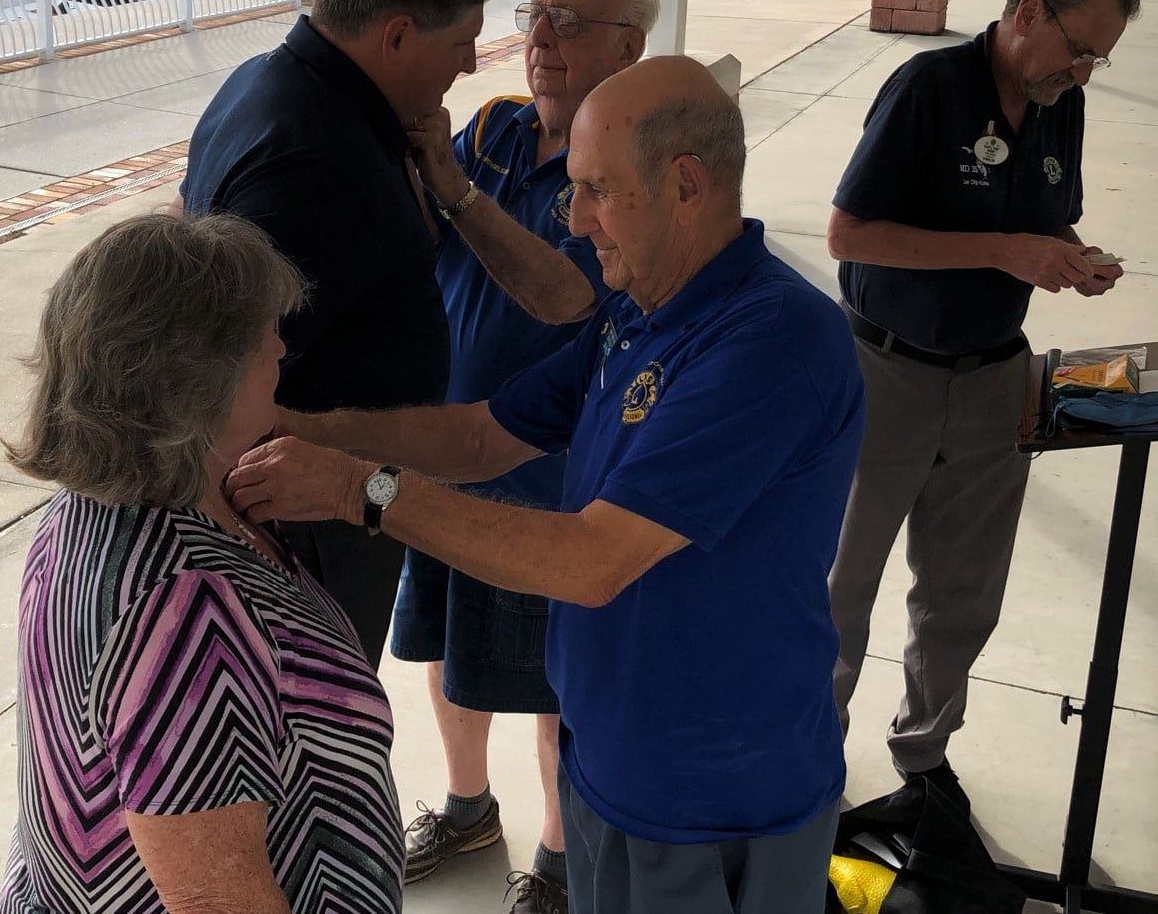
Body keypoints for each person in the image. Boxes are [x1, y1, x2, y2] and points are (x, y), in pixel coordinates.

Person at [227, 57, 867, 914]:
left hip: (714, 792)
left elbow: (592, 561)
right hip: (608, 756)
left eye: (598, 190)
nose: (576, 218)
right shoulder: (639, 308)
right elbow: (482, 434)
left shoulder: (771, 341)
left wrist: (361, 492)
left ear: (686, 183)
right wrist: (296, 429)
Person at [0, 214, 403, 914]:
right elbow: (216, 899)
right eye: (259, 335)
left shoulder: (95, 508)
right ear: (198, 376)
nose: (280, 346)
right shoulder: (185, 612)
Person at [824, 0, 1140, 812]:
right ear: (1028, 9)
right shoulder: (928, 88)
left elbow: (1048, 218)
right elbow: (850, 235)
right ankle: (805, 760)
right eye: (1078, 47)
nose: (1081, 71)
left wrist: (1073, 259)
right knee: (839, 588)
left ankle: (922, 759)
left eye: (1097, 59)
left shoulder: (1056, 103)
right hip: (885, 372)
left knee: (961, 594)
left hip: (995, 378)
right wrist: (1004, 251)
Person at [393, 0, 657, 914]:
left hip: (544, 468)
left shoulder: (624, 162)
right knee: (438, 644)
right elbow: (420, 231)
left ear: (627, 47)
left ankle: (554, 864)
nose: (539, 39)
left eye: (568, 22)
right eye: (534, 17)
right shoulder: (497, 125)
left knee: (554, 688)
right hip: (444, 441)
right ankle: (467, 806)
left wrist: (456, 191)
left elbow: (572, 292)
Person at [178, 0, 497, 668]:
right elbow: (221, 375)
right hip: (302, 520)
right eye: (461, 44)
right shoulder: (315, 160)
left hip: (327, 500)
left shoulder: (265, 82)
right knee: (321, 724)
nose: (471, 66)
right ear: (395, 35)